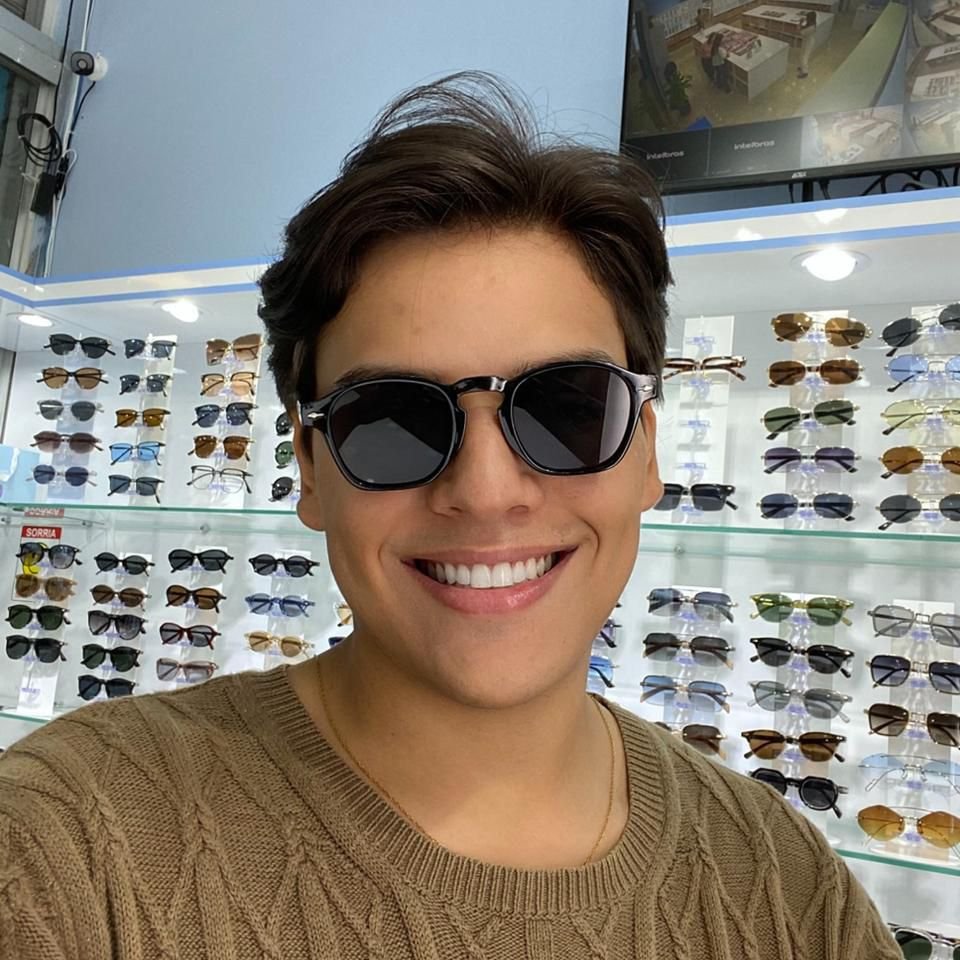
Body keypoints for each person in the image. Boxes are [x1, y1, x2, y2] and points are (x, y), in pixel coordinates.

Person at [0, 71, 901, 959]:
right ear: (309, 466)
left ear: (646, 451)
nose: (486, 489)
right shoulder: (63, 845)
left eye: (567, 408)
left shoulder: (788, 888)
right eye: (392, 420)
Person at [798, 10, 817, 78]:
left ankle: (805, 72)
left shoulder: (811, 27)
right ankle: (801, 67)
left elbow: (800, 32)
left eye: (807, 18)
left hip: (808, 43)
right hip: (806, 41)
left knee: (804, 56)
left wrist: (800, 23)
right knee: (802, 54)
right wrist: (804, 21)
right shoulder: (812, 23)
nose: (806, 19)